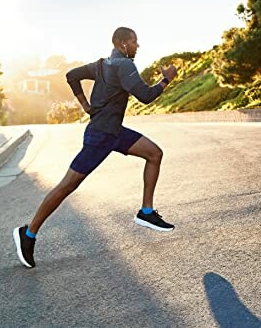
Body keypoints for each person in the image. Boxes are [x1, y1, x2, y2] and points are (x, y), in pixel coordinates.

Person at [13, 27, 178, 268]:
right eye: (134, 42)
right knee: (67, 185)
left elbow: (71, 75)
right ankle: (28, 234)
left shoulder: (101, 64)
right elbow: (146, 96)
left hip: (114, 132)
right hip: (101, 136)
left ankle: (146, 211)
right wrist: (166, 79)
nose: (138, 46)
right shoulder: (124, 65)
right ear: (123, 43)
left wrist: (85, 105)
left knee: (154, 153)